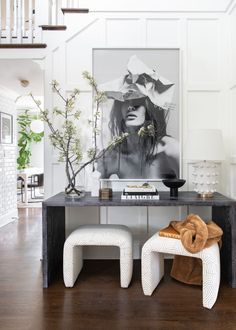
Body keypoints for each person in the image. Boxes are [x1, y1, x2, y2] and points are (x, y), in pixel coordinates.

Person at [97, 55, 179, 179]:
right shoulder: (110, 156)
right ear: (119, 107)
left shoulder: (170, 148)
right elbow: (97, 191)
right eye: (125, 101)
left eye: (138, 101)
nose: (130, 107)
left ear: (149, 107)